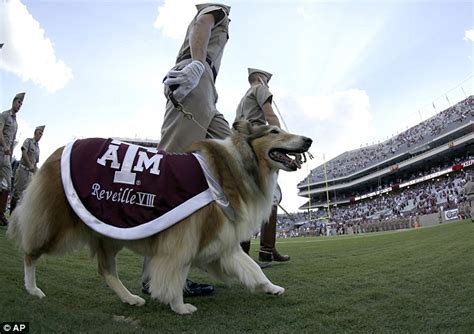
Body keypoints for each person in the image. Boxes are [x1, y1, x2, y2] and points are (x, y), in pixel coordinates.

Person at [142, 3, 232, 297]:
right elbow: (201, 25)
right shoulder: (213, 8)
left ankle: (218, 254)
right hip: (196, 73)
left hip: (207, 87)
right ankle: (154, 274)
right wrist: (196, 64)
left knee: (232, 159)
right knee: (171, 170)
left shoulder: (224, 12)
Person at [235, 68, 290, 263]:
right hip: (260, 148)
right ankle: (266, 250)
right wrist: (286, 143)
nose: (268, 85)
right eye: (267, 81)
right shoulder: (260, 88)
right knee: (271, 196)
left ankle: (243, 252)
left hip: (243, 149)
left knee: (247, 199)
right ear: (260, 79)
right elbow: (270, 116)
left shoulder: (243, 99)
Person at [0, 92, 23, 226]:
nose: (19, 105)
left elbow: (13, 140)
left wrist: (10, 155)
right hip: (0, 150)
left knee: (7, 184)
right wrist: (4, 146)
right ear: (14, 101)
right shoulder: (4, 115)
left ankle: (1, 213)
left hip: (6, 157)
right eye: (18, 102)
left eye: (21, 104)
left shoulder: (16, 123)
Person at [10, 125, 44, 213]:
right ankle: (11, 213)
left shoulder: (38, 148)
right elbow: (24, 153)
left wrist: (37, 174)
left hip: (30, 174)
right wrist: (29, 165)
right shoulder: (28, 141)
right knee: (16, 193)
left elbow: (36, 163)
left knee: (24, 197)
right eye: (39, 133)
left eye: (41, 134)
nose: (40, 136)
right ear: (35, 132)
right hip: (22, 170)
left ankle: (18, 218)